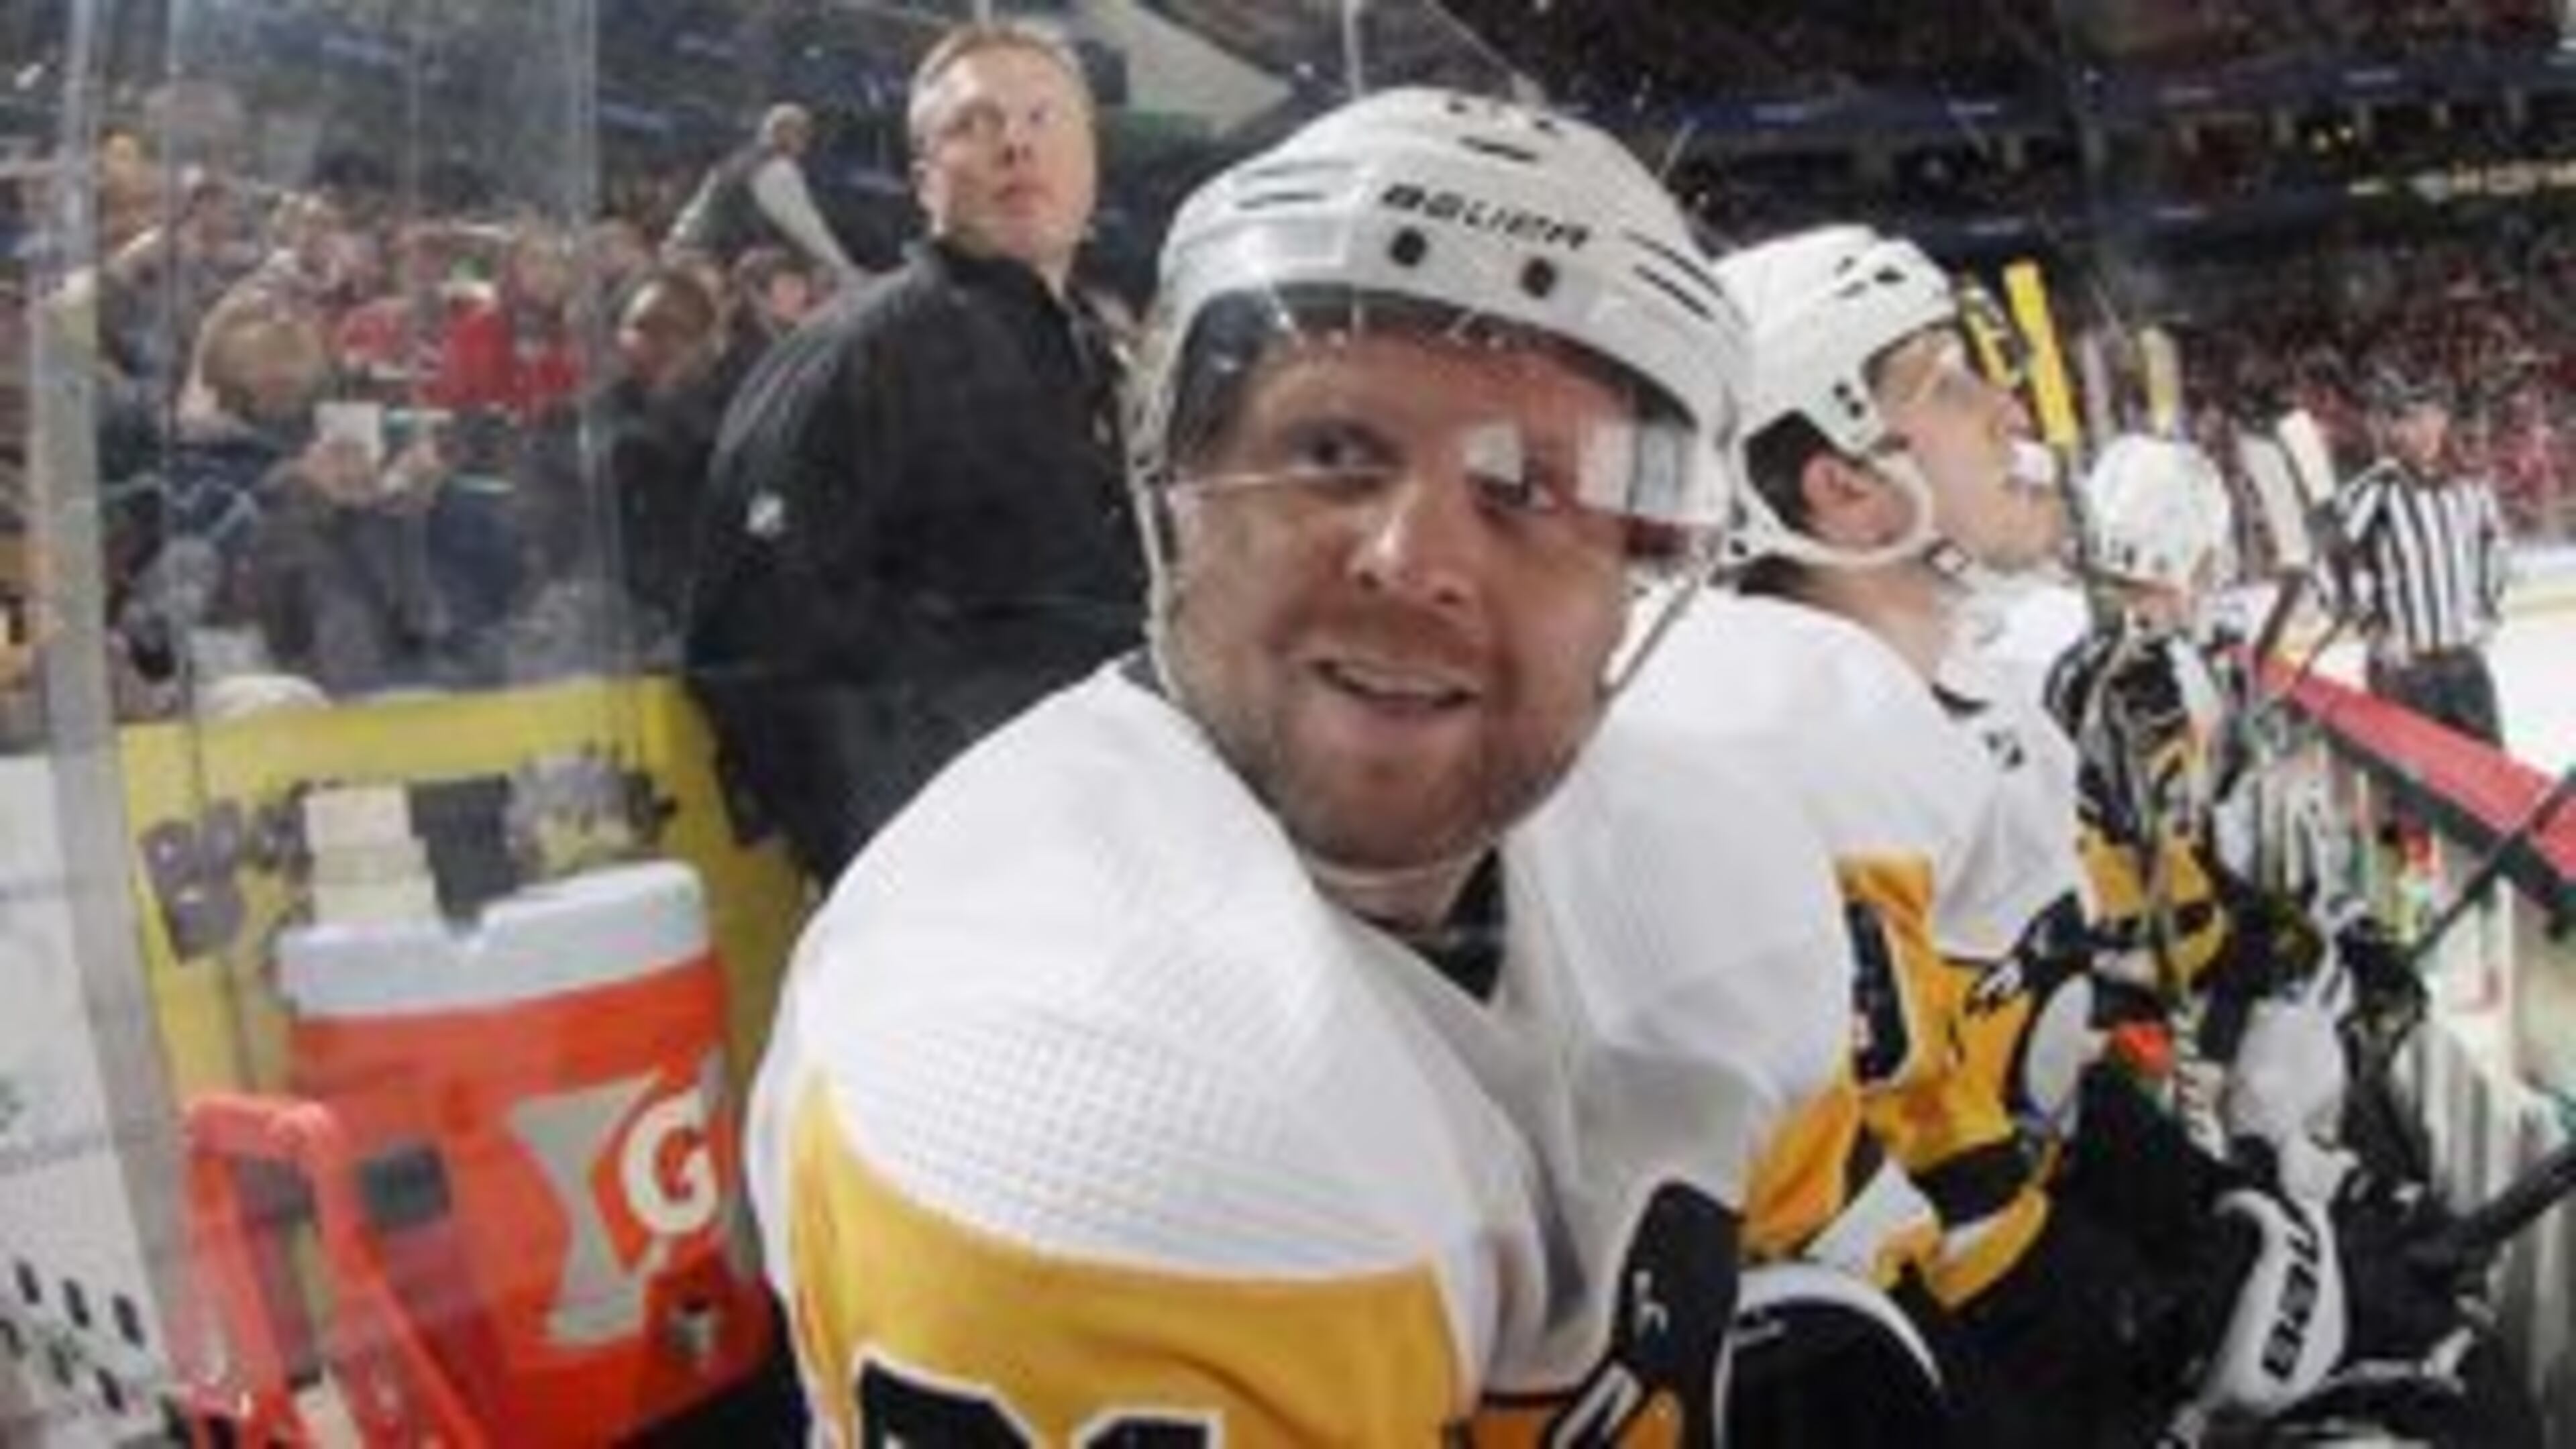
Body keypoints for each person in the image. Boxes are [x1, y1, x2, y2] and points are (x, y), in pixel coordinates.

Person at [747, 87, 1864, 1443]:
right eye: (1335, 450)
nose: (1416, 559)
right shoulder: (1061, 1043)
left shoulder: (1713, 860)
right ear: (1174, 486)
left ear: (1641, 575)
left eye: (1527, 488)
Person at [686, 21, 1140, 881]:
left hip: (1113, 847)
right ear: (924, 177)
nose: (1015, 141)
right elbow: (754, 648)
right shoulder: (852, 356)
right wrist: (914, 860)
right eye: (974, 124)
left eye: (1044, 118)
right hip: (966, 881)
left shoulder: (1097, 352)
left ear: (1091, 162)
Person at [2328, 365, 2511, 747]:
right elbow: (2330, 559)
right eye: (2413, 418)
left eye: (2434, 415)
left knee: (2487, 783)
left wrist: (2488, 611)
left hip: (2465, 664)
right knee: (2415, 794)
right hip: (2406, 673)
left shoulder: (2469, 484)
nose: (2426, 428)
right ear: (2396, 428)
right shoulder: (2376, 489)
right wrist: (2372, 630)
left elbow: (2495, 547)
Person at [664, 102, 863, 286]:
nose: (806, 143)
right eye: (802, 133)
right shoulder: (777, 169)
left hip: (681, 251)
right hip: (708, 264)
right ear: (783, 132)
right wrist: (846, 271)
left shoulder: (733, 162)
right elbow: (808, 229)